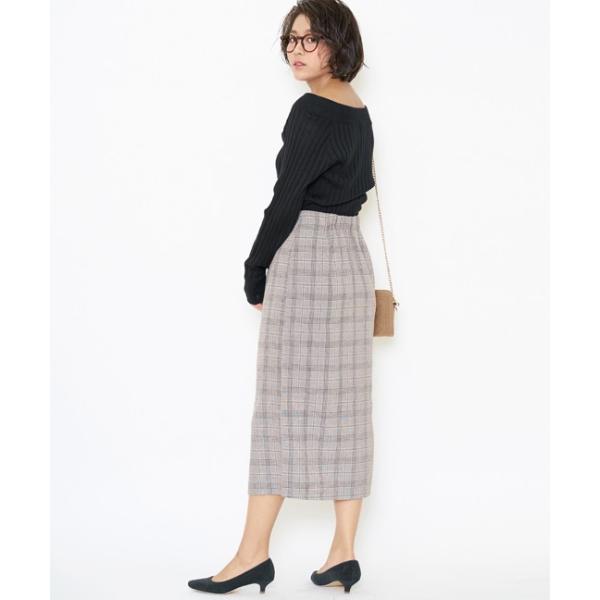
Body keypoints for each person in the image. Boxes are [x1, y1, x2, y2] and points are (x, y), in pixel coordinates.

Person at [188, 0, 375, 594]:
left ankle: (252, 555)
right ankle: (342, 554)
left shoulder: (312, 111)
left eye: (311, 39)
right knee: (347, 408)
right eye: (291, 39)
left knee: (279, 409)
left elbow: (287, 197)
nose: (297, 49)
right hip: (350, 263)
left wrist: (255, 267)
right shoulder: (357, 109)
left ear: (338, 43)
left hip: (308, 258)